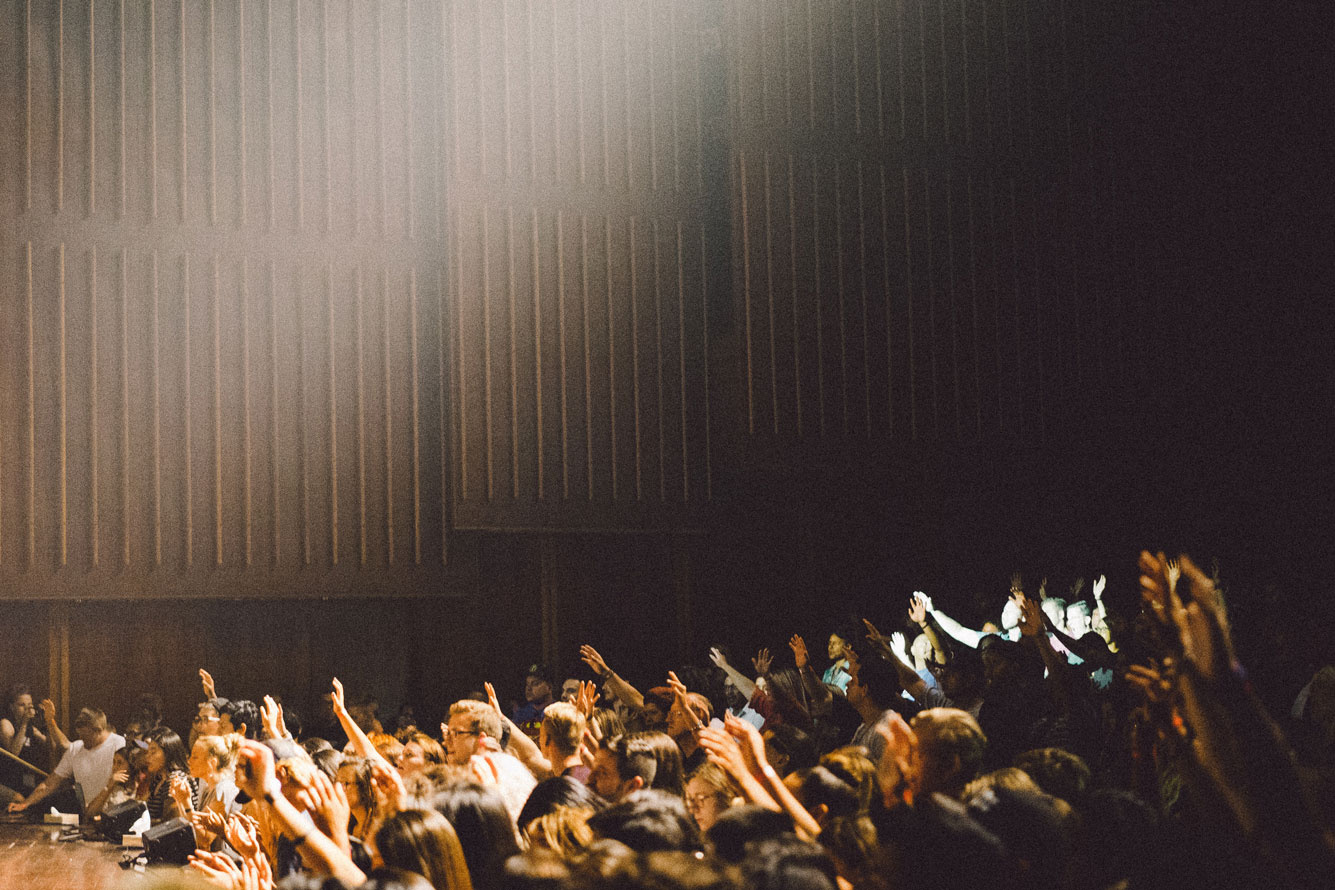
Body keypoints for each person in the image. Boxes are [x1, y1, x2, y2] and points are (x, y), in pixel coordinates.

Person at [7, 706, 124, 815]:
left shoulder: (120, 744)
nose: (82, 740)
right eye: (80, 735)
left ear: (98, 730)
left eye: (85, 736)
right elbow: (48, 784)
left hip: (117, 812)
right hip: (89, 814)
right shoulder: (76, 749)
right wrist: (25, 804)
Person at [1, 685, 48, 763]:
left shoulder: (31, 728)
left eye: (29, 705)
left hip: (30, 769)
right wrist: (24, 724)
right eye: (22, 705)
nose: (27, 708)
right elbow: (13, 754)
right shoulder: (6, 724)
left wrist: (47, 720)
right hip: (11, 770)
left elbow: (50, 746)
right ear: (12, 707)